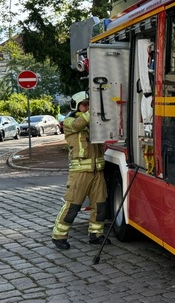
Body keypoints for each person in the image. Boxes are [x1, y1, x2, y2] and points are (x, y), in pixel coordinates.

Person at [51, 91, 108, 250]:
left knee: (101, 205)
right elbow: (78, 124)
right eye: (85, 104)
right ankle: (59, 236)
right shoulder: (69, 121)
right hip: (80, 173)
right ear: (77, 105)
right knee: (73, 206)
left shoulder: (91, 122)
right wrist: (92, 111)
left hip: (97, 171)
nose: (88, 107)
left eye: (90, 104)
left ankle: (96, 235)